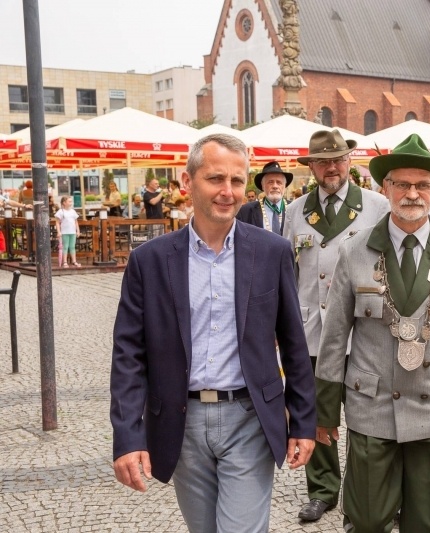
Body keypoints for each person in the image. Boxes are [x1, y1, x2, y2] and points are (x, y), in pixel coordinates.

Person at [109, 133, 316, 532]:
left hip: (250, 417)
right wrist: (128, 436)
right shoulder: (148, 261)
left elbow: (294, 341)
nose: (228, 191)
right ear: (188, 182)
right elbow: (128, 356)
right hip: (180, 421)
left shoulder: (271, 251)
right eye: (215, 179)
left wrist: (304, 421)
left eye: (237, 181)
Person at [315, 134, 430, 533]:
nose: (413, 194)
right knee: (367, 519)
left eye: (424, 185)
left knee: (427, 522)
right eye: (402, 184)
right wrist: (324, 410)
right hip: (372, 408)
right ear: (385, 188)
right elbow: (335, 336)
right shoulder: (355, 250)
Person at [284, 129, 389, 522]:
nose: (332, 167)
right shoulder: (296, 212)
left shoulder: (377, 206)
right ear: (311, 167)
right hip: (312, 330)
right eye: (323, 161)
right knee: (314, 413)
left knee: (369, 414)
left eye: (339, 159)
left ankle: (368, 489)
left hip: (365, 330)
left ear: (350, 162)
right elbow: (287, 273)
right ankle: (323, 488)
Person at [236, 161, 293, 235]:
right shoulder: (246, 211)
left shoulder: (294, 209)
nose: (275, 186)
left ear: (284, 186)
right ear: (262, 186)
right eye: (270, 182)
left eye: (279, 182)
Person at [55, 195, 81, 268]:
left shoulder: (73, 211)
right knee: (65, 247)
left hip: (72, 232)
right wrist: (59, 232)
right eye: (69, 201)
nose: (71, 203)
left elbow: (76, 222)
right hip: (64, 232)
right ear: (64, 203)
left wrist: (77, 231)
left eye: (71, 201)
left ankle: (74, 261)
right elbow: (57, 222)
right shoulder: (60, 212)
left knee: (72, 246)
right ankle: (65, 262)